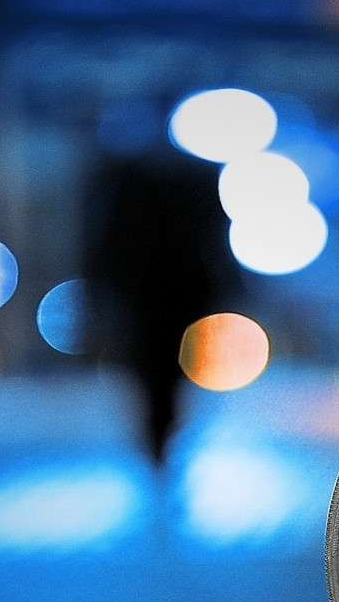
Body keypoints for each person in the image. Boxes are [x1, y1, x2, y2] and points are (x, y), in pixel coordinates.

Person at [82, 134, 238, 463]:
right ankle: (163, 441)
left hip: (146, 297)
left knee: (154, 377)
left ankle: (159, 444)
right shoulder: (195, 179)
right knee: (168, 376)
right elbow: (216, 241)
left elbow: (104, 244)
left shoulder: (126, 182)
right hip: (177, 294)